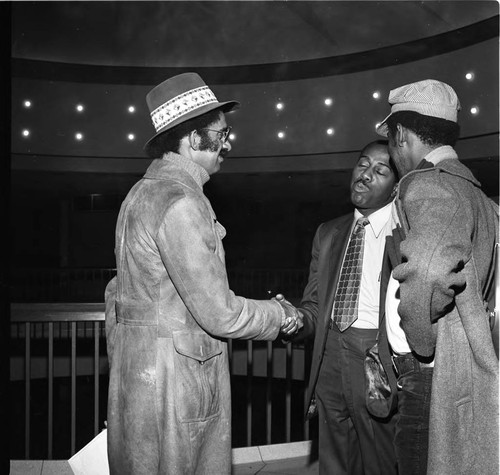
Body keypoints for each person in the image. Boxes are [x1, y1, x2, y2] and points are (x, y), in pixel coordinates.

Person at [104, 72, 299, 475]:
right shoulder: (181, 203)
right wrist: (281, 316)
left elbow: (115, 294)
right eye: (221, 133)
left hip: (137, 380)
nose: (228, 142)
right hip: (177, 386)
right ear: (194, 139)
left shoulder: (139, 194)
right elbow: (220, 314)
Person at [376, 79, 499, 475]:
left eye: (393, 142)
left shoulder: (429, 183)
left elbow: (428, 269)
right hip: (458, 365)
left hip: (430, 373)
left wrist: (420, 341)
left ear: (401, 135)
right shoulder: (472, 190)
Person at [292, 141, 399, 475]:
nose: (365, 176)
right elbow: (313, 305)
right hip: (329, 356)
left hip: (377, 358)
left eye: (380, 171)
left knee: (381, 460)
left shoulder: (405, 232)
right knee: (336, 461)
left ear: (396, 187)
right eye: (362, 165)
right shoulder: (328, 233)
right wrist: (293, 321)